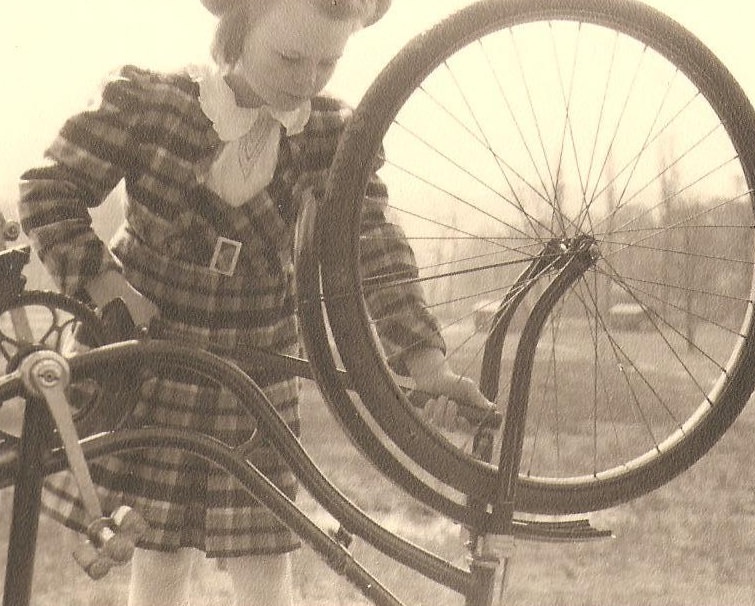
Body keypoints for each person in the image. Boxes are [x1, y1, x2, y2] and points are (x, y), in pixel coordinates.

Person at [17, 1, 491, 604]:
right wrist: (104, 283)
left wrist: (426, 361)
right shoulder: (152, 105)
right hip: (150, 353)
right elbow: (47, 189)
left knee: (266, 556)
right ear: (237, 32)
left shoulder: (331, 135)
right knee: (158, 552)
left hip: (255, 367)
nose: (306, 79)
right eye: (290, 57)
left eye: (328, 61)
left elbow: (370, 243)